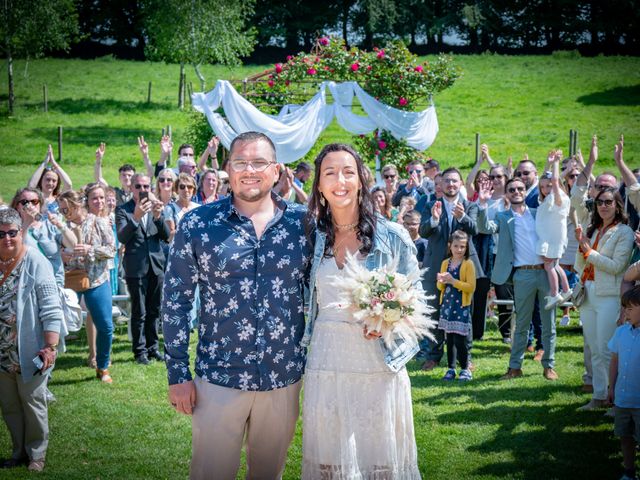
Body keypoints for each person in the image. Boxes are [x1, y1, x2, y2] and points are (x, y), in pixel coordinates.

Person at [162, 131, 311, 480]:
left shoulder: (302, 225)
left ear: (276, 171)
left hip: (282, 378)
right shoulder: (198, 224)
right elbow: (176, 300)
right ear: (228, 168)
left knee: (268, 474)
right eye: (241, 162)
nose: (250, 170)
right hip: (219, 378)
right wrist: (178, 374)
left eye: (259, 162)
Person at [302, 143, 421, 478]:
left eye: (348, 172)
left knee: (379, 461)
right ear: (320, 187)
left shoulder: (392, 236)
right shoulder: (310, 237)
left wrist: (388, 322)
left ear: (360, 181)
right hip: (326, 362)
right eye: (330, 173)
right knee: (329, 461)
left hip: (377, 363)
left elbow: (418, 299)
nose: (340, 180)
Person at [0, 208, 64, 473]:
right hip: (2, 354)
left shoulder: (36, 262)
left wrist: (50, 346)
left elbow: (51, 307)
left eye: (12, 233)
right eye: (1, 234)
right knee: (10, 406)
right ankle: (18, 451)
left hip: (30, 350)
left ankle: (37, 454)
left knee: (33, 402)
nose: (7, 239)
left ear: (21, 232)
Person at [477, 177, 559, 381]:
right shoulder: (503, 217)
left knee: (549, 323)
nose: (516, 191)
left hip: (546, 272)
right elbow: (485, 227)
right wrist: (482, 203)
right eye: (511, 189)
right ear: (507, 193)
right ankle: (515, 367)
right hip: (522, 274)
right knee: (521, 323)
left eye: (520, 188)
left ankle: (549, 366)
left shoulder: (537, 213)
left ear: (525, 191)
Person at [419, 167, 483, 371]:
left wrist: (463, 218)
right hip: (436, 266)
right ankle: (434, 355)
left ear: (461, 184)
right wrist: (435, 220)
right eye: (447, 181)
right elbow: (423, 231)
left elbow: (475, 230)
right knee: (434, 312)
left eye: (455, 181)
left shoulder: (469, 205)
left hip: (463, 268)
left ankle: (466, 356)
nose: (451, 184)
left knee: (464, 311)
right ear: (441, 184)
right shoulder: (431, 205)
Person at [575, 187, 634, 410]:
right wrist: (582, 249)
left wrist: (590, 253)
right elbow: (581, 266)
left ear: (617, 205)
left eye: (608, 202)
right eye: (599, 202)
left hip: (609, 294)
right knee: (594, 348)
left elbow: (618, 267)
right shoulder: (594, 229)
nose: (603, 206)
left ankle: (616, 400)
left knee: (608, 349)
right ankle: (599, 396)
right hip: (588, 292)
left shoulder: (624, 232)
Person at [58, 186, 116, 383]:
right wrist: (62, 255)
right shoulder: (62, 227)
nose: (64, 213)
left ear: (78, 205)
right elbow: (56, 251)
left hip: (96, 281)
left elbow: (111, 250)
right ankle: (44, 367)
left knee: (106, 326)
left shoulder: (98, 222)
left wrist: (90, 249)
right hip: (71, 281)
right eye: (62, 210)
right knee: (54, 325)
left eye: (67, 209)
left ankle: (102, 366)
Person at [116, 174, 169, 365]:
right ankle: (140, 352)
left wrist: (157, 217)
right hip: (136, 267)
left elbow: (166, 236)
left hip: (156, 266)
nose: (142, 189)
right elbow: (122, 237)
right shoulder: (123, 210)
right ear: (131, 188)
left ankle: (153, 348)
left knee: (155, 310)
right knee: (139, 311)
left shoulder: (157, 207)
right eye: (138, 186)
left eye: (146, 185)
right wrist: (136, 217)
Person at [11, 188, 76, 286]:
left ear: (40, 204)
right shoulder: (12, 229)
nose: (30, 206)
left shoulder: (50, 225)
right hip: (28, 286)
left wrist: (59, 224)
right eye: (25, 202)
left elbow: (72, 245)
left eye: (34, 201)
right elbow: (16, 252)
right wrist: (27, 222)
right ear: (17, 206)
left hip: (54, 284)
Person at [608, 286, 640, 480]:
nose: (625, 313)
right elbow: (614, 361)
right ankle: (629, 471)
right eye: (624, 308)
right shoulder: (621, 333)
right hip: (622, 398)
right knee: (625, 437)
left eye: (630, 308)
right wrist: (612, 387)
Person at [437, 230, 476, 382]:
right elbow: (440, 288)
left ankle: (465, 368)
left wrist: (453, 281)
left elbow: (471, 287)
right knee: (450, 339)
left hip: (461, 306)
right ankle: (451, 368)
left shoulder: (468, 264)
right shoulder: (445, 263)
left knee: (461, 339)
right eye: (456, 246)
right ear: (450, 246)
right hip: (447, 305)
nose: (459, 250)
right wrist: (441, 281)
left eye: (462, 247)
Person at [536, 152, 572, 309]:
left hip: (552, 237)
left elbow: (555, 180)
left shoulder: (559, 198)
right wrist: (548, 164)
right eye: (542, 187)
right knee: (555, 265)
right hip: (551, 236)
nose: (545, 189)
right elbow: (546, 179)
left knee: (549, 266)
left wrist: (556, 163)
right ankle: (566, 289)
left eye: (548, 186)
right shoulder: (548, 199)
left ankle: (555, 293)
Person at [28, 144, 72, 215]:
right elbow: (31, 185)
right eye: (47, 179)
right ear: (41, 180)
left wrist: (54, 162)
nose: (50, 183)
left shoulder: (59, 199)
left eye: (54, 181)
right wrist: (44, 163)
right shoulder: (35, 198)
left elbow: (68, 184)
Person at [165, 173, 200, 242]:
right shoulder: (170, 209)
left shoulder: (199, 208)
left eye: (190, 187)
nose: (186, 190)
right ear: (177, 189)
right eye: (182, 186)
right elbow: (170, 236)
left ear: (194, 190)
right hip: (178, 248)